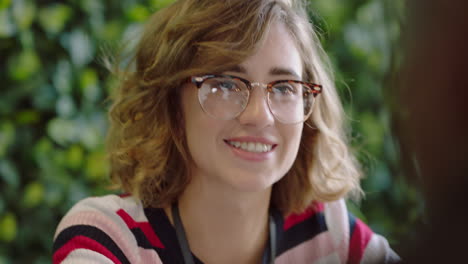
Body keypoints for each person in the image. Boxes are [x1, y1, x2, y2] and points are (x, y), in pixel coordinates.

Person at [52, 0, 399, 263]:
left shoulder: (329, 235)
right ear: (171, 103)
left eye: (283, 87)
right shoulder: (109, 239)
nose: (259, 116)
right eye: (226, 84)